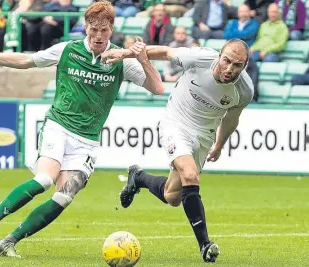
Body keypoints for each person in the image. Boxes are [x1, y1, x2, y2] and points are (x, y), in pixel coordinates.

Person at [0, 0, 164, 257]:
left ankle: (10, 240)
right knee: (44, 179)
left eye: (104, 30)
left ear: (112, 29)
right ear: (85, 26)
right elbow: (24, 61)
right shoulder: (68, 50)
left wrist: (142, 59)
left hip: (87, 139)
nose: (98, 36)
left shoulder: (121, 59)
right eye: (93, 29)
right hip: (58, 126)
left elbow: (158, 88)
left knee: (64, 196)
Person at [102, 38, 254, 263]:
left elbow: (232, 120)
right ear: (219, 56)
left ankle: (139, 177)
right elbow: (164, 52)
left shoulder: (244, 90)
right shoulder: (200, 58)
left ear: (246, 65)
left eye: (237, 65)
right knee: (190, 174)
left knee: (172, 196)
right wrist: (124, 53)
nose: (230, 69)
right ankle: (205, 245)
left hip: (204, 136)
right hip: (176, 123)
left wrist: (219, 145)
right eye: (226, 61)